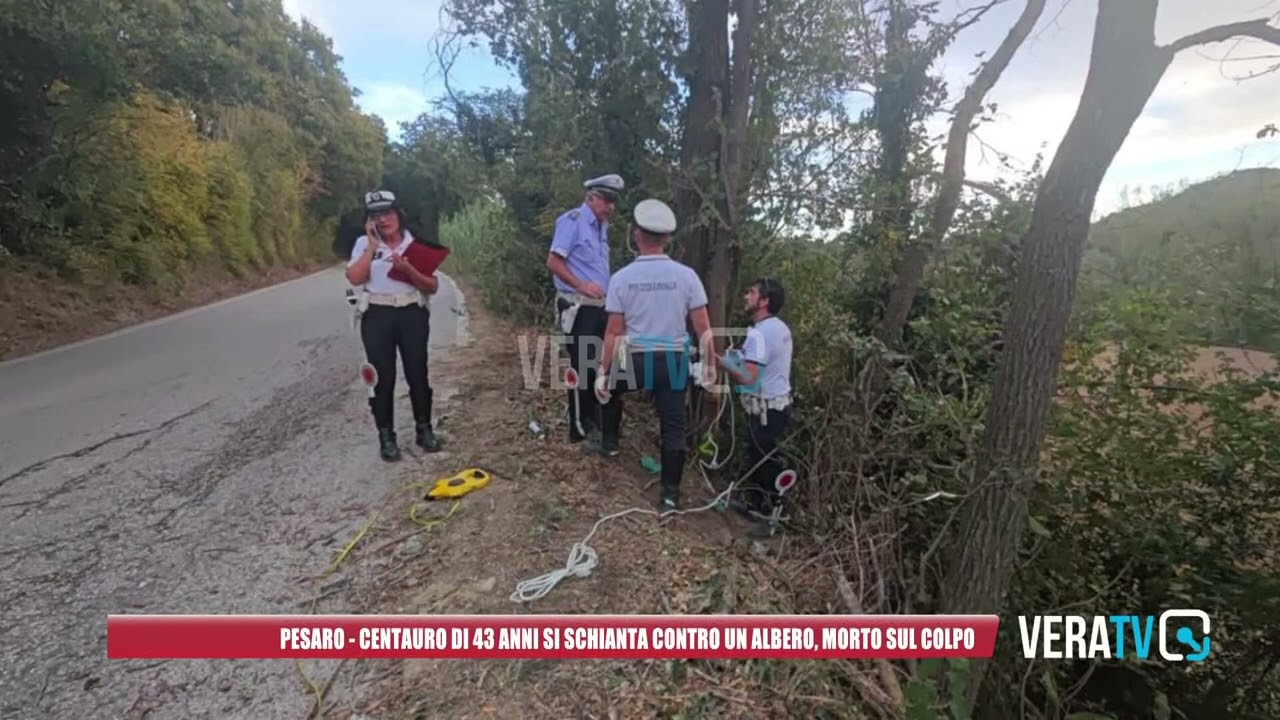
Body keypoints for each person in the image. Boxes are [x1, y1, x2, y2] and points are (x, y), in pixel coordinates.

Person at [595, 199, 713, 511]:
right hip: (674, 360)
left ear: (636, 235)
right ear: (666, 239)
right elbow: (704, 329)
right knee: (672, 426)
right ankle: (670, 495)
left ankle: (608, 444)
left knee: (610, 391)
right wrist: (708, 366)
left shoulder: (621, 278)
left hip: (636, 358)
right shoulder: (687, 276)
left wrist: (603, 371)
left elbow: (614, 332)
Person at [345, 189, 443, 461]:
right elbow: (354, 277)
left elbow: (432, 286)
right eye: (376, 215)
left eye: (387, 213)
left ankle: (424, 429)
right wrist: (372, 248)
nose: (383, 220)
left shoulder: (414, 244)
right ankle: (386, 436)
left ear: (398, 214)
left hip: (411, 312)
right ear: (369, 221)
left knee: (417, 373)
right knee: (382, 378)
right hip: (377, 314)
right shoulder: (362, 245)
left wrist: (409, 269)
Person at [546, 173, 625, 454]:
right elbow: (554, 261)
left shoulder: (601, 227)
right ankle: (579, 428)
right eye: (607, 200)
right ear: (591, 197)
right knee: (582, 367)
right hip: (578, 306)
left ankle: (596, 422)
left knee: (600, 366)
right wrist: (580, 284)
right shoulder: (573, 222)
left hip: (601, 307)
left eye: (613, 201)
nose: (611, 207)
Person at [715, 278, 794, 535]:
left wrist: (723, 363)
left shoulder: (761, 333)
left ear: (764, 301)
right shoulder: (778, 328)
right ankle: (756, 506)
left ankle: (772, 520)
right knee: (760, 458)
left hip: (767, 411)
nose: (746, 297)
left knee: (766, 462)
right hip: (776, 407)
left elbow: (749, 377)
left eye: (751, 293)